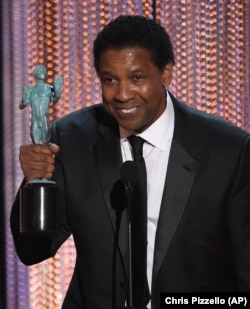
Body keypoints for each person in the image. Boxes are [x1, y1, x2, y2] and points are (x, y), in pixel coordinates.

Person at [10, 15, 250, 309]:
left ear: (166, 74)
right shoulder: (71, 139)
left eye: (137, 78)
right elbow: (32, 250)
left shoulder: (228, 150)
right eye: (110, 80)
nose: (122, 95)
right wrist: (35, 184)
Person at [20, 64, 63, 145]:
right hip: (35, 120)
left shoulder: (49, 88)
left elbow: (54, 100)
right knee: (36, 145)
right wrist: (24, 97)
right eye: (40, 71)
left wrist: (58, 92)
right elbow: (23, 105)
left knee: (46, 144)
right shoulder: (30, 90)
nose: (42, 72)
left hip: (44, 120)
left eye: (44, 71)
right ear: (35, 74)